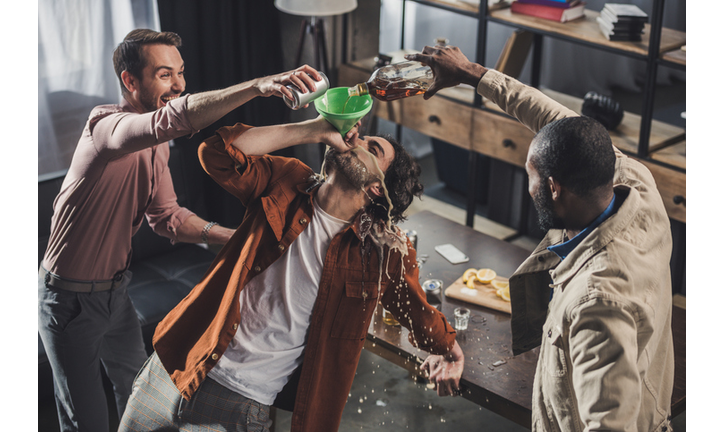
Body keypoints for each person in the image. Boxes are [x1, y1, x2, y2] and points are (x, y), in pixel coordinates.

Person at [38, 28, 329, 432]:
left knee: (135, 401)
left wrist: (235, 238)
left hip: (117, 293)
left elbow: (167, 216)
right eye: (164, 74)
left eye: (180, 72)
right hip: (68, 300)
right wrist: (259, 86)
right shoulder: (105, 127)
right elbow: (171, 120)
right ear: (130, 81)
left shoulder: (158, 146)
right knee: (84, 419)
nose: (177, 84)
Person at [117, 110, 464, 431]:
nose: (355, 139)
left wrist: (449, 349)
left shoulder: (383, 250)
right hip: (177, 358)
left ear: (377, 187)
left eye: (371, 147)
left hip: (242, 397)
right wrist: (313, 129)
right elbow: (215, 152)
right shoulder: (288, 178)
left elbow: (419, 311)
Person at [407, 45, 674, 431]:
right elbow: (552, 118)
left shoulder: (598, 304)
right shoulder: (633, 182)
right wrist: (471, 73)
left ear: (553, 187)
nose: (527, 186)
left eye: (530, 176)